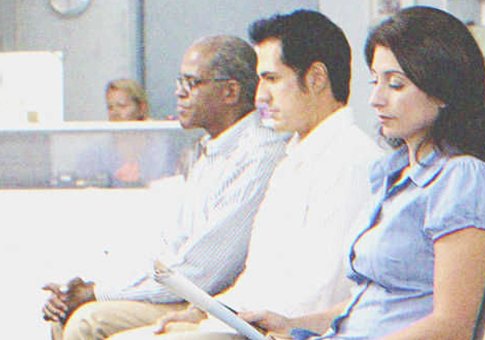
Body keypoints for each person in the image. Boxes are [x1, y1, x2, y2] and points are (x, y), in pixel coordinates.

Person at [238, 6, 485, 339]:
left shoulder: (462, 178)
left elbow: (450, 326)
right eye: (375, 81)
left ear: (442, 91)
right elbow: (366, 308)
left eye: (395, 85)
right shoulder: (393, 174)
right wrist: (292, 324)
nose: (376, 99)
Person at [108, 9, 382, 340]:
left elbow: (313, 295)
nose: (260, 96)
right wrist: (201, 316)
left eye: (272, 79)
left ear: (316, 78)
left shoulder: (352, 162)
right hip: (250, 323)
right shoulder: (293, 157)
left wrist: (214, 325)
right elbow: (257, 279)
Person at [41, 35, 288, 340]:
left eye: (190, 83)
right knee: (63, 318)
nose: (178, 93)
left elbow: (200, 273)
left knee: (86, 322)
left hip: (209, 303)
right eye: (179, 81)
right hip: (180, 290)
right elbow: (164, 247)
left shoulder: (257, 154)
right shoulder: (209, 150)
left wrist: (97, 293)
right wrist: (91, 286)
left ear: (230, 91)